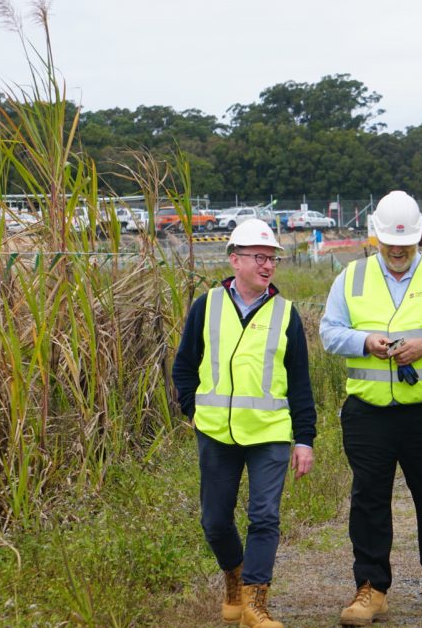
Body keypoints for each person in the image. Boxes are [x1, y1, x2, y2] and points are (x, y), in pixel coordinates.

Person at [320, 190, 422, 625]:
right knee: (368, 498)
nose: (398, 252)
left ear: (420, 239)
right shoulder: (349, 278)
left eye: (406, 246)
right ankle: (371, 587)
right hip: (369, 411)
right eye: (390, 244)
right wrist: (364, 342)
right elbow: (329, 332)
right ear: (376, 237)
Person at [172, 219, 316, 628]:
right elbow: (183, 367)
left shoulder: (286, 315)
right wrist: (192, 410)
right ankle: (234, 578)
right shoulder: (206, 306)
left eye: (272, 258)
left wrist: (304, 439)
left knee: (264, 516)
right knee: (215, 521)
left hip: (269, 434)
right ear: (235, 260)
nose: (267, 265)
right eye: (259, 257)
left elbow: (301, 385)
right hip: (216, 432)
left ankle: (255, 602)